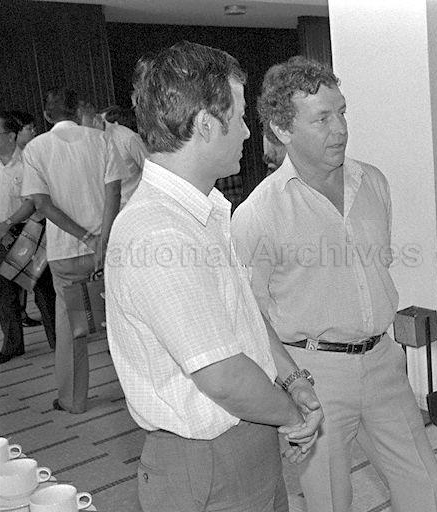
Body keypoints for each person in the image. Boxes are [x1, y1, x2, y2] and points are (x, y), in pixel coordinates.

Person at [106, 41, 323, 512]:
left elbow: (242, 316)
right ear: (206, 124)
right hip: (203, 462)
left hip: (246, 433)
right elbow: (222, 375)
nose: (248, 131)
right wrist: (291, 416)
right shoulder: (157, 232)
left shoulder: (200, 213)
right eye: (241, 116)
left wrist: (292, 380)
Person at [231, 56, 437, 512]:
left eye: (342, 112)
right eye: (322, 119)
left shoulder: (374, 183)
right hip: (314, 373)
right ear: (283, 131)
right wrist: (289, 383)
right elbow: (252, 316)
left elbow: (376, 267)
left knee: (425, 484)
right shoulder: (259, 213)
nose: (341, 129)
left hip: (383, 361)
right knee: (329, 502)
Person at [21, 88, 128, 414]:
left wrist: (84, 237)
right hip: (108, 250)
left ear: (47, 115)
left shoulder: (36, 148)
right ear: (77, 109)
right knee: (124, 321)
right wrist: (102, 241)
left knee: (72, 328)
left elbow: (41, 203)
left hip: (66, 253)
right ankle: (140, 393)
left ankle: (73, 400)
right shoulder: (101, 140)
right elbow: (113, 194)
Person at [0, 112, 56, 364]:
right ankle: (12, 345)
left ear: (10, 136)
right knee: (4, 292)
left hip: (26, 231)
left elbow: (33, 200)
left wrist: (8, 223)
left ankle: (57, 339)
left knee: (42, 288)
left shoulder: (27, 162)